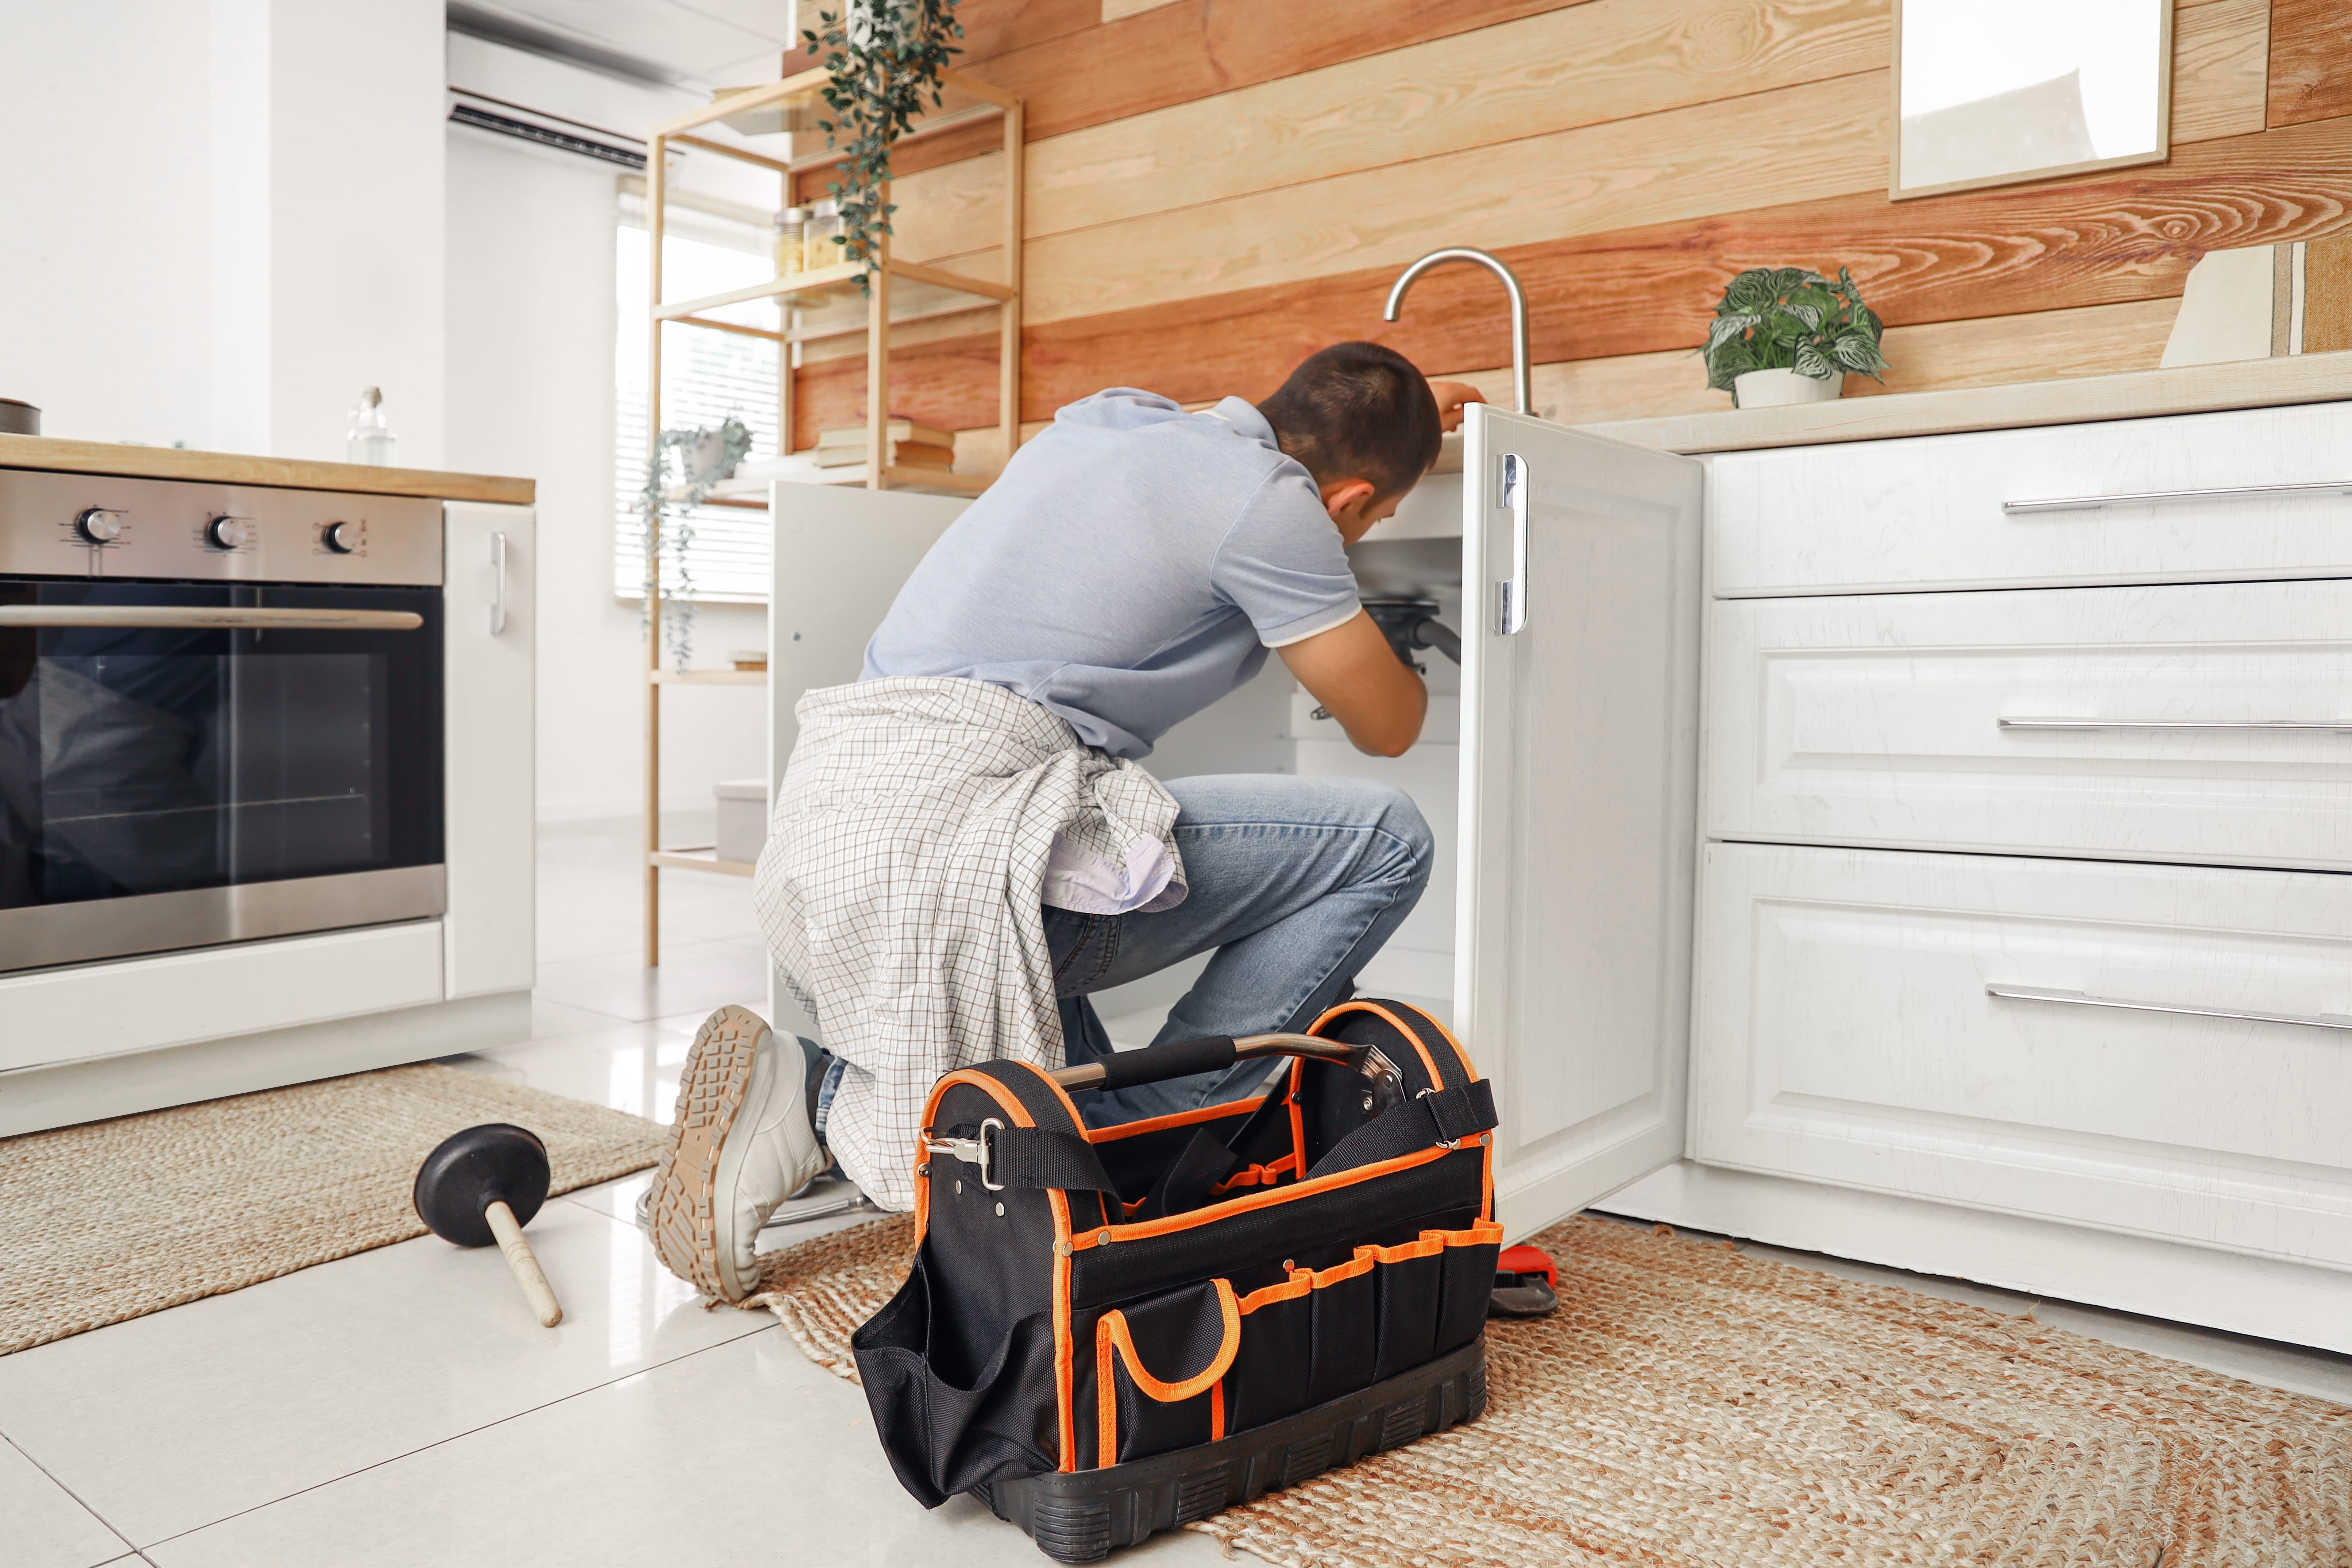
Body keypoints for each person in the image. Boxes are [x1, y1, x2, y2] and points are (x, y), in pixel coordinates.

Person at [644, 342, 1483, 1302]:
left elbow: (1315, 413)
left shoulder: (1110, 415)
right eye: (1374, 516)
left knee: (1060, 1071)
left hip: (832, 837)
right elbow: (1389, 724)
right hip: (961, 844)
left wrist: (1409, 406)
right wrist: (1347, 555)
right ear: (1347, 500)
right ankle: (1136, 1146)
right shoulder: (1277, 504)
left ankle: (815, 1091)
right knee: (1385, 838)